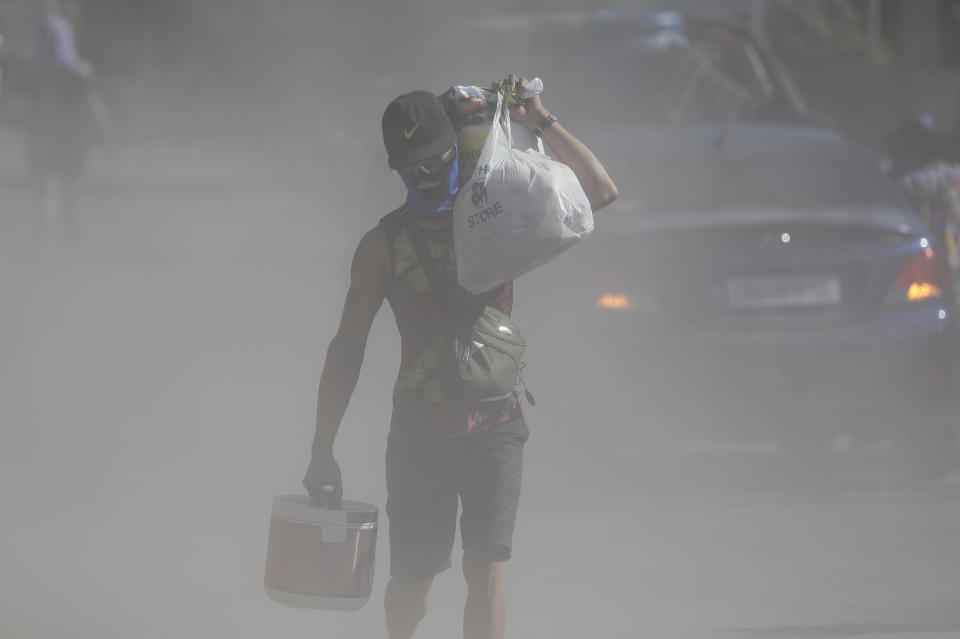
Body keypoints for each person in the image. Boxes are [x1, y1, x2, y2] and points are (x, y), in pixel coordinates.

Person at [302, 73, 617, 639]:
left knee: (484, 568)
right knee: (413, 582)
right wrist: (321, 447)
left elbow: (598, 193)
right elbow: (347, 348)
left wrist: (537, 118)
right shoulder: (383, 245)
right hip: (419, 430)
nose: (426, 174)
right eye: (411, 166)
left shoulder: (496, 209)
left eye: (437, 158)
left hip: (495, 420)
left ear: (458, 145)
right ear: (394, 168)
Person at [25, 0, 115, 237]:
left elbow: (24, 112)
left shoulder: (34, 79)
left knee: (44, 196)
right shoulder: (78, 78)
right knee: (70, 196)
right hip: (71, 142)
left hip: (42, 139)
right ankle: (70, 246)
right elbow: (95, 109)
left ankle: (41, 246)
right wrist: (106, 140)